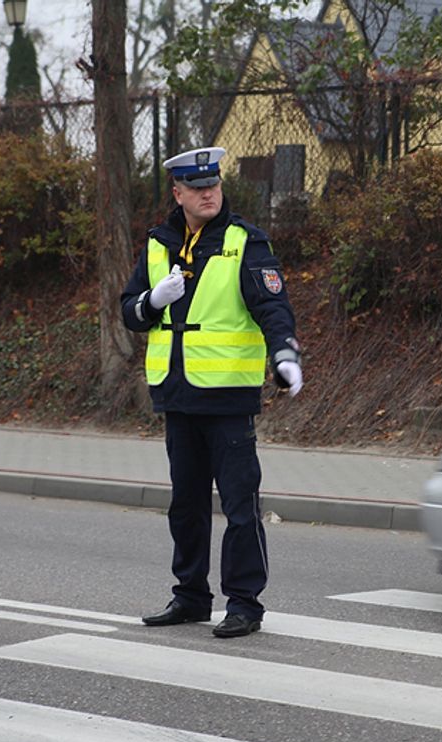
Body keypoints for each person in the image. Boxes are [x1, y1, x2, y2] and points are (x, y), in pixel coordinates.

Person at [120, 146, 302, 639]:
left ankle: (244, 603)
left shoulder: (245, 241)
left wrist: (285, 353)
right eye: (197, 189)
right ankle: (191, 596)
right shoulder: (158, 244)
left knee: (240, 505)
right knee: (187, 504)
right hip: (177, 397)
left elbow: (273, 305)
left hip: (227, 399)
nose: (208, 195)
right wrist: (152, 300)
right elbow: (128, 311)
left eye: (214, 186)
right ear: (177, 193)